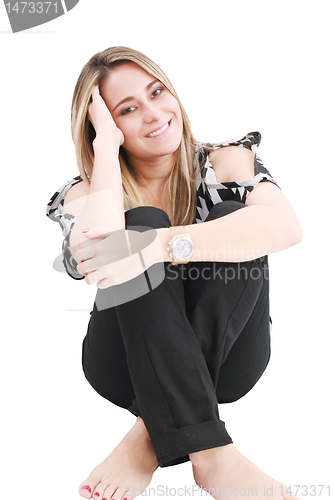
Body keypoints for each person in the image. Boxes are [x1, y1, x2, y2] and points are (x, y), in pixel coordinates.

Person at [46, 46, 303, 500]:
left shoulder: (224, 161)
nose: (153, 114)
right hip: (121, 365)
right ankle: (211, 454)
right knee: (140, 221)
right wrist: (104, 146)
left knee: (230, 215)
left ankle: (149, 436)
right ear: (103, 127)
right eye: (127, 110)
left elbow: (284, 227)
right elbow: (97, 251)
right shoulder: (87, 188)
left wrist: (157, 249)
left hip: (229, 363)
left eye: (156, 92)